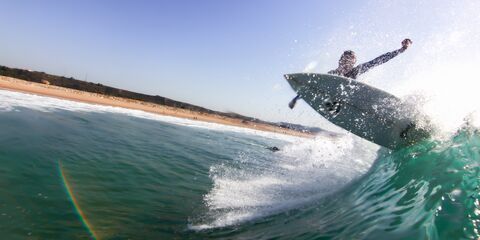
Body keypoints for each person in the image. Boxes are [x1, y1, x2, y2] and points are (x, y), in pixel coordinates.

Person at [288, 39, 412, 109]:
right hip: (332, 99)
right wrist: (295, 99)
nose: (348, 63)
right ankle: (332, 105)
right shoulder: (331, 74)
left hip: (350, 100)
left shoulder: (356, 70)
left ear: (354, 63)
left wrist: (401, 50)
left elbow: (378, 60)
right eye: (346, 60)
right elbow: (312, 86)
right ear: (340, 60)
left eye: (351, 61)